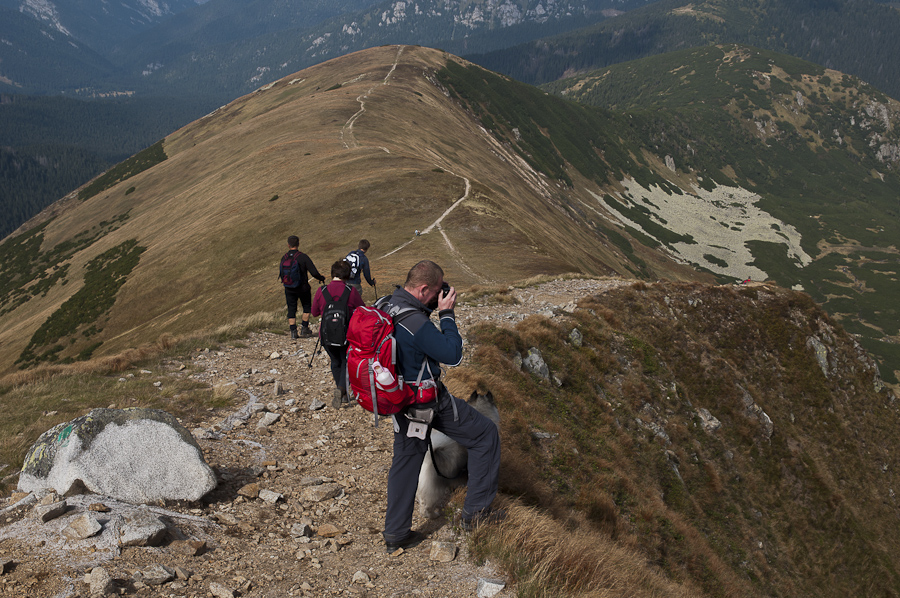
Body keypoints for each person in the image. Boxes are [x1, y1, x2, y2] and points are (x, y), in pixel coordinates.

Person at [378, 260, 501, 553]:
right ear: (423, 289)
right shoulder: (416, 323)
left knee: (405, 462)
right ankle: (476, 516)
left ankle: (395, 534)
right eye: (436, 291)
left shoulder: (385, 304)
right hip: (427, 401)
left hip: (396, 399)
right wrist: (446, 314)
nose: (439, 296)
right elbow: (453, 354)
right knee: (485, 435)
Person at [311, 260, 365, 409]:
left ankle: (342, 392)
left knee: (336, 362)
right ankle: (341, 389)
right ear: (347, 275)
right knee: (347, 362)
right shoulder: (351, 290)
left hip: (326, 335)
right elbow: (363, 310)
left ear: (332, 273)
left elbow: (314, 312)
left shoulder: (321, 291)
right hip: (346, 334)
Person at [278, 235, 325, 339]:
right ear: (298, 244)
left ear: (288, 245)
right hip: (303, 287)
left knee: (291, 308)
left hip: (289, 288)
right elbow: (314, 272)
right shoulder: (303, 257)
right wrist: (321, 278)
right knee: (306, 307)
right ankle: (304, 328)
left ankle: (293, 332)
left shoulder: (284, 257)